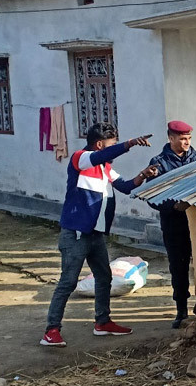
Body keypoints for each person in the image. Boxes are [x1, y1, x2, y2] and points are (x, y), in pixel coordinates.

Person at [40, 124, 156, 347]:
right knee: (68, 282)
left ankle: (102, 322)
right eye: (111, 144)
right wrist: (130, 143)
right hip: (75, 233)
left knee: (104, 277)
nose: (113, 150)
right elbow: (104, 155)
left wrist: (143, 175)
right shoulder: (81, 158)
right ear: (100, 144)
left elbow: (125, 186)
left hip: (95, 234)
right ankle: (51, 330)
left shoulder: (105, 168)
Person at [146, 121, 196, 329]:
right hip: (174, 225)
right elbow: (151, 196)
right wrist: (173, 206)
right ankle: (181, 309)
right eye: (182, 139)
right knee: (178, 268)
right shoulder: (159, 164)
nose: (186, 143)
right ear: (171, 138)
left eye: (189, 139)